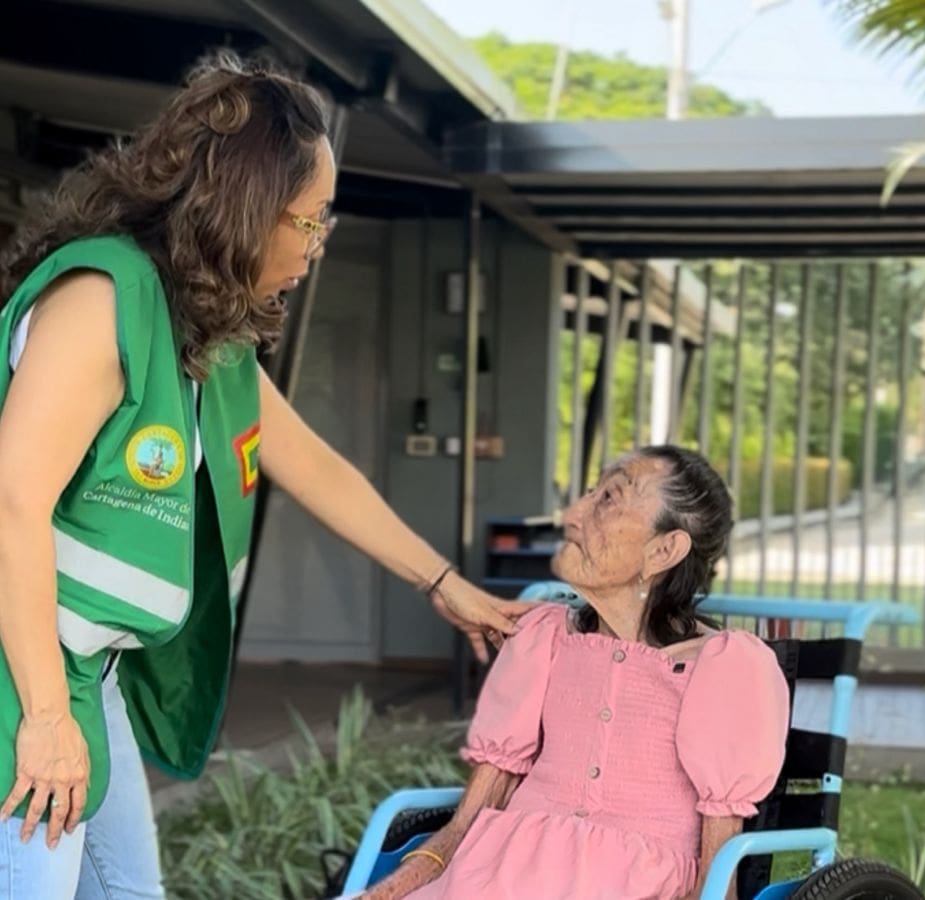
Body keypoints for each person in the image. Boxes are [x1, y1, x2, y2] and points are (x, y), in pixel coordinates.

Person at [0, 52, 531, 898]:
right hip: (21, 671)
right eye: (310, 220)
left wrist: (443, 582)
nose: (319, 245)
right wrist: (44, 717)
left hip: (84, 672)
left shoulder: (200, 326)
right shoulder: (102, 299)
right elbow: (12, 503)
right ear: (244, 210)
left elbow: (313, 464)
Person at [357, 445, 791, 900]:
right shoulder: (543, 639)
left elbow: (718, 875)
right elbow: (464, 825)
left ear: (664, 550)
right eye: (590, 493)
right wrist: (388, 892)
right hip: (497, 874)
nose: (572, 516)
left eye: (609, 498)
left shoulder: (722, 667)